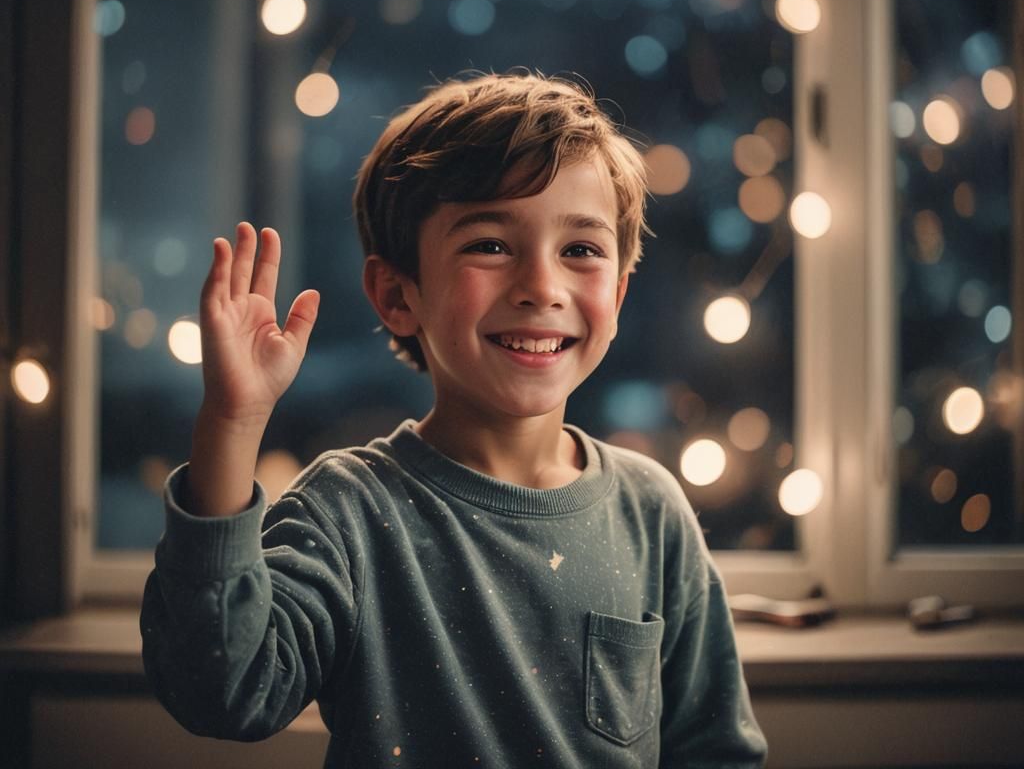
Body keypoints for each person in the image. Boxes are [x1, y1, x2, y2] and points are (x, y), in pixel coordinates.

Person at [141, 71, 767, 767]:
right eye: (490, 245)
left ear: (617, 294)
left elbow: (715, 749)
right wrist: (231, 421)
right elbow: (221, 691)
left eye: (581, 250)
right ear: (395, 294)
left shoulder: (652, 513)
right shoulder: (347, 512)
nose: (541, 287)